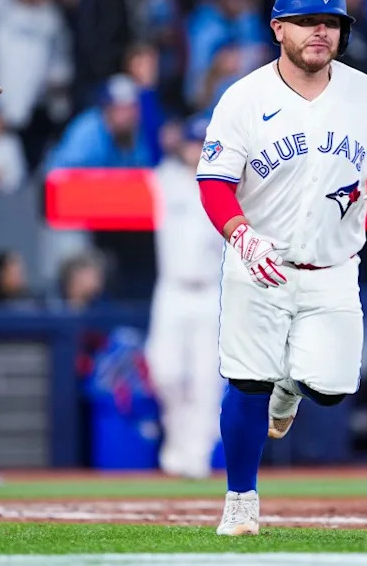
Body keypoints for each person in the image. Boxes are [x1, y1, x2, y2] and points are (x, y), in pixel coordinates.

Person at [196, 0, 367, 535]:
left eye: (333, 23)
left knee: (334, 387)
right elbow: (215, 183)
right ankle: (240, 501)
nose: (322, 30)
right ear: (278, 30)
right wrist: (241, 235)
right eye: (309, 21)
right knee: (246, 381)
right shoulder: (244, 97)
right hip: (260, 261)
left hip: (334, 267)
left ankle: (290, 387)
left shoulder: (365, 93)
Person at [145, 115, 226, 480]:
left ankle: (196, 453)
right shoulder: (165, 179)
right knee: (165, 372)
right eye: (192, 143)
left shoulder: (225, 185)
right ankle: (177, 443)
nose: (196, 150)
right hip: (172, 290)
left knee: (207, 379)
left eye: (203, 144)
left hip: (210, 291)